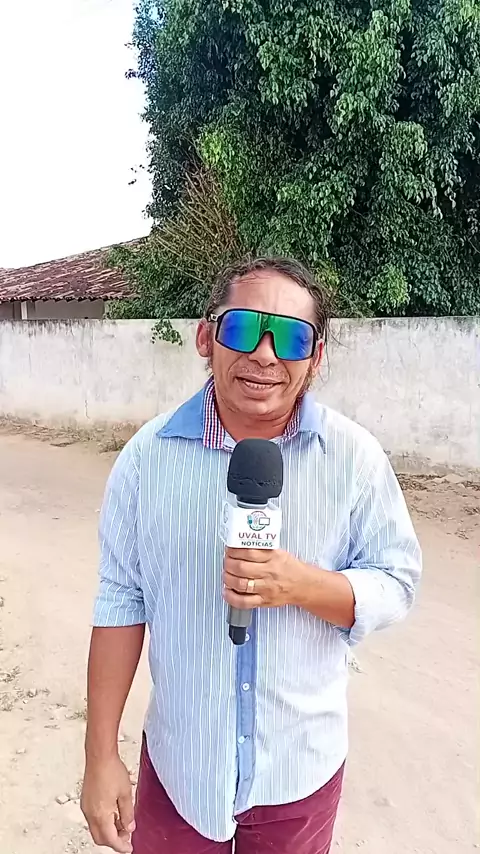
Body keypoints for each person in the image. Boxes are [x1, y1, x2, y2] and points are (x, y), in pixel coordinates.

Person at [81, 256, 422, 854]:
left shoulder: (354, 458)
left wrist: (301, 585)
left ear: (316, 358)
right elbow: (121, 603)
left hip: (300, 771)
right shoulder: (145, 460)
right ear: (205, 337)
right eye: (243, 329)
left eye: (291, 338)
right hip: (181, 770)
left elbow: (397, 581)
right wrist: (100, 754)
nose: (265, 354)